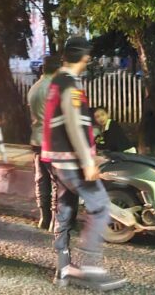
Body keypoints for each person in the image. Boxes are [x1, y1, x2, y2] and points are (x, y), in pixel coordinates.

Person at [42, 37, 126, 291]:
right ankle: (91, 270)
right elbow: (74, 125)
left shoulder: (56, 81)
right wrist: (88, 161)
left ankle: (63, 268)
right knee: (100, 206)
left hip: (57, 160)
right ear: (85, 58)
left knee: (65, 209)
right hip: (70, 161)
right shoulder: (69, 85)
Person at [28, 54, 61, 231]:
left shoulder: (34, 88)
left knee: (41, 179)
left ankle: (44, 217)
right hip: (53, 141)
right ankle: (56, 219)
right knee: (57, 181)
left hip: (37, 140)